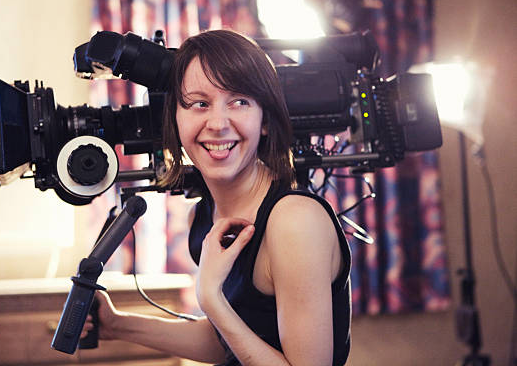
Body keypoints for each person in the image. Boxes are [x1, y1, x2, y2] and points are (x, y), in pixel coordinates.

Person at [83, 29, 351, 366]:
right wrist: (117, 325)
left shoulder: (294, 221)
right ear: (175, 120)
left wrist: (211, 298)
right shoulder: (204, 217)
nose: (218, 123)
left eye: (239, 101)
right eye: (199, 104)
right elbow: (227, 342)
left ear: (264, 119)